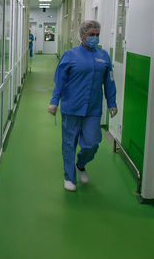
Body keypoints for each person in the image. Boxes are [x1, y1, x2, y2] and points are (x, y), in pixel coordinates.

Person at [48, 20, 117, 192]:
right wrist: (54, 102)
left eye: (97, 35)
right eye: (91, 34)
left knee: (92, 142)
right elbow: (60, 80)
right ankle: (69, 177)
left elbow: (109, 81)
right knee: (69, 143)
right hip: (72, 106)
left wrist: (112, 103)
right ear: (83, 35)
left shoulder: (103, 56)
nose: (94, 37)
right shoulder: (70, 55)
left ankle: (80, 165)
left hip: (93, 108)